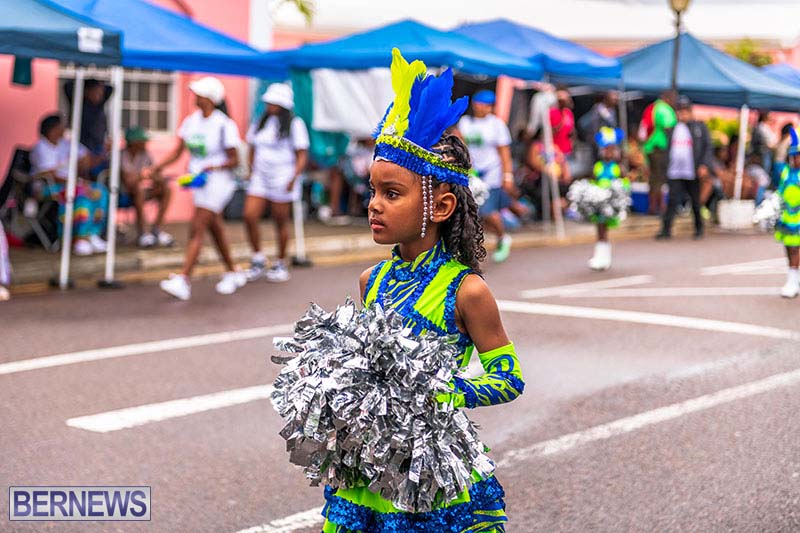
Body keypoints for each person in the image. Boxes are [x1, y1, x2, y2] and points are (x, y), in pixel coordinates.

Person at [321, 48, 525, 533]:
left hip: (434, 471)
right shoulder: (371, 282)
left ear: (440, 205)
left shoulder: (467, 291)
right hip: (368, 464)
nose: (374, 205)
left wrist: (439, 392)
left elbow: (509, 378)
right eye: (372, 191)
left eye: (392, 194)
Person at [146, 77, 244, 300]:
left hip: (219, 182)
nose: (195, 98)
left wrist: (214, 166)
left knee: (197, 226)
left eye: (199, 95)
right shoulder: (191, 121)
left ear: (210, 99)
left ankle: (184, 279)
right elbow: (177, 151)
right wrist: (157, 167)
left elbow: (234, 160)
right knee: (214, 227)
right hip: (198, 182)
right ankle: (232, 271)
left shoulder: (224, 124)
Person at [243, 83, 309, 283]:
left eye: (272, 102)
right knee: (249, 215)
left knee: (280, 219)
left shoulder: (295, 124)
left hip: (283, 177)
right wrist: (251, 168)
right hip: (260, 177)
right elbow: (252, 146)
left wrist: (293, 178)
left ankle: (280, 261)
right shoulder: (260, 122)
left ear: (281, 104)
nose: (268, 105)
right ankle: (258, 258)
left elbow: (301, 154)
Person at [29, 113, 108, 256]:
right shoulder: (40, 147)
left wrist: (93, 158)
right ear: (52, 129)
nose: (64, 129)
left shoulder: (65, 144)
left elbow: (87, 158)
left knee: (100, 191)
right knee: (81, 193)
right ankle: (79, 239)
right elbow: (50, 175)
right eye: (61, 126)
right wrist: (76, 183)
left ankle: (92, 234)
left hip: (70, 184)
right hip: (47, 187)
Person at [457, 90, 515, 263]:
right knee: (471, 211)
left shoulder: (497, 125)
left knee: (489, 211)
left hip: (492, 173)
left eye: (486, 105)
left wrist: (507, 176)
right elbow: (462, 145)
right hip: (472, 173)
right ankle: (472, 246)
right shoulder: (465, 122)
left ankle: (503, 237)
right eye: (479, 104)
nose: (482, 108)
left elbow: (504, 152)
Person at [656, 96, 712, 240]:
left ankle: (699, 229)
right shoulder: (672, 129)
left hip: (692, 170)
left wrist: (704, 165)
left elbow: (707, 147)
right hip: (675, 171)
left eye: (685, 111)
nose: (682, 115)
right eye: (679, 111)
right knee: (672, 200)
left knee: (695, 201)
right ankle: (666, 229)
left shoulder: (699, 127)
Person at [121, 127, 173, 248]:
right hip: (123, 193)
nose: (145, 143)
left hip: (140, 191)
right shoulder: (122, 155)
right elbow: (129, 181)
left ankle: (156, 229)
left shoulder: (145, 154)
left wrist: (158, 178)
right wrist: (143, 175)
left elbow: (154, 173)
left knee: (166, 189)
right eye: (142, 141)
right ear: (134, 143)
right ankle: (142, 232)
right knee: (138, 189)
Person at [588, 127, 626, 271]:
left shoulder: (618, 168)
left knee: (604, 230)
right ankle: (600, 255)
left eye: (612, 150)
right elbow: (592, 182)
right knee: (600, 229)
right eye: (606, 150)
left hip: (610, 203)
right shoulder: (597, 167)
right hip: (599, 203)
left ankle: (604, 256)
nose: (609, 153)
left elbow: (624, 184)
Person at [643, 90, 677, 215]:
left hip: (651, 146)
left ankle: (654, 206)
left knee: (654, 178)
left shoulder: (654, 107)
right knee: (658, 178)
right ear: (667, 97)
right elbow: (669, 127)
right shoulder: (663, 108)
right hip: (659, 147)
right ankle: (658, 207)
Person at [775, 128, 800, 298]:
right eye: (793, 156)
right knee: (788, 248)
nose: (795, 159)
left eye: (798, 156)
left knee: (795, 249)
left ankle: (792, 280)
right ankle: (794, 277)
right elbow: (780, 192)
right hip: (786, 217)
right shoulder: (785, 172)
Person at [64, 78, 112, 161]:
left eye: (100, 92)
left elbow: (110, 89)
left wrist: (97, 84)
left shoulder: (99, 105)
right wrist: (84, 84)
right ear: (86, 92)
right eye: (96, 92)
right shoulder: (78, 103)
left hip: (98, 144)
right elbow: (67, 86)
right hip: (81, 143)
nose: (99, 95)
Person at [751, 110, 777, 174]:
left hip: (767, 152)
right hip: (763, 153)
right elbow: (767, 141)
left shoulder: (765, 127)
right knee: (764, 171)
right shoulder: (760, 127)